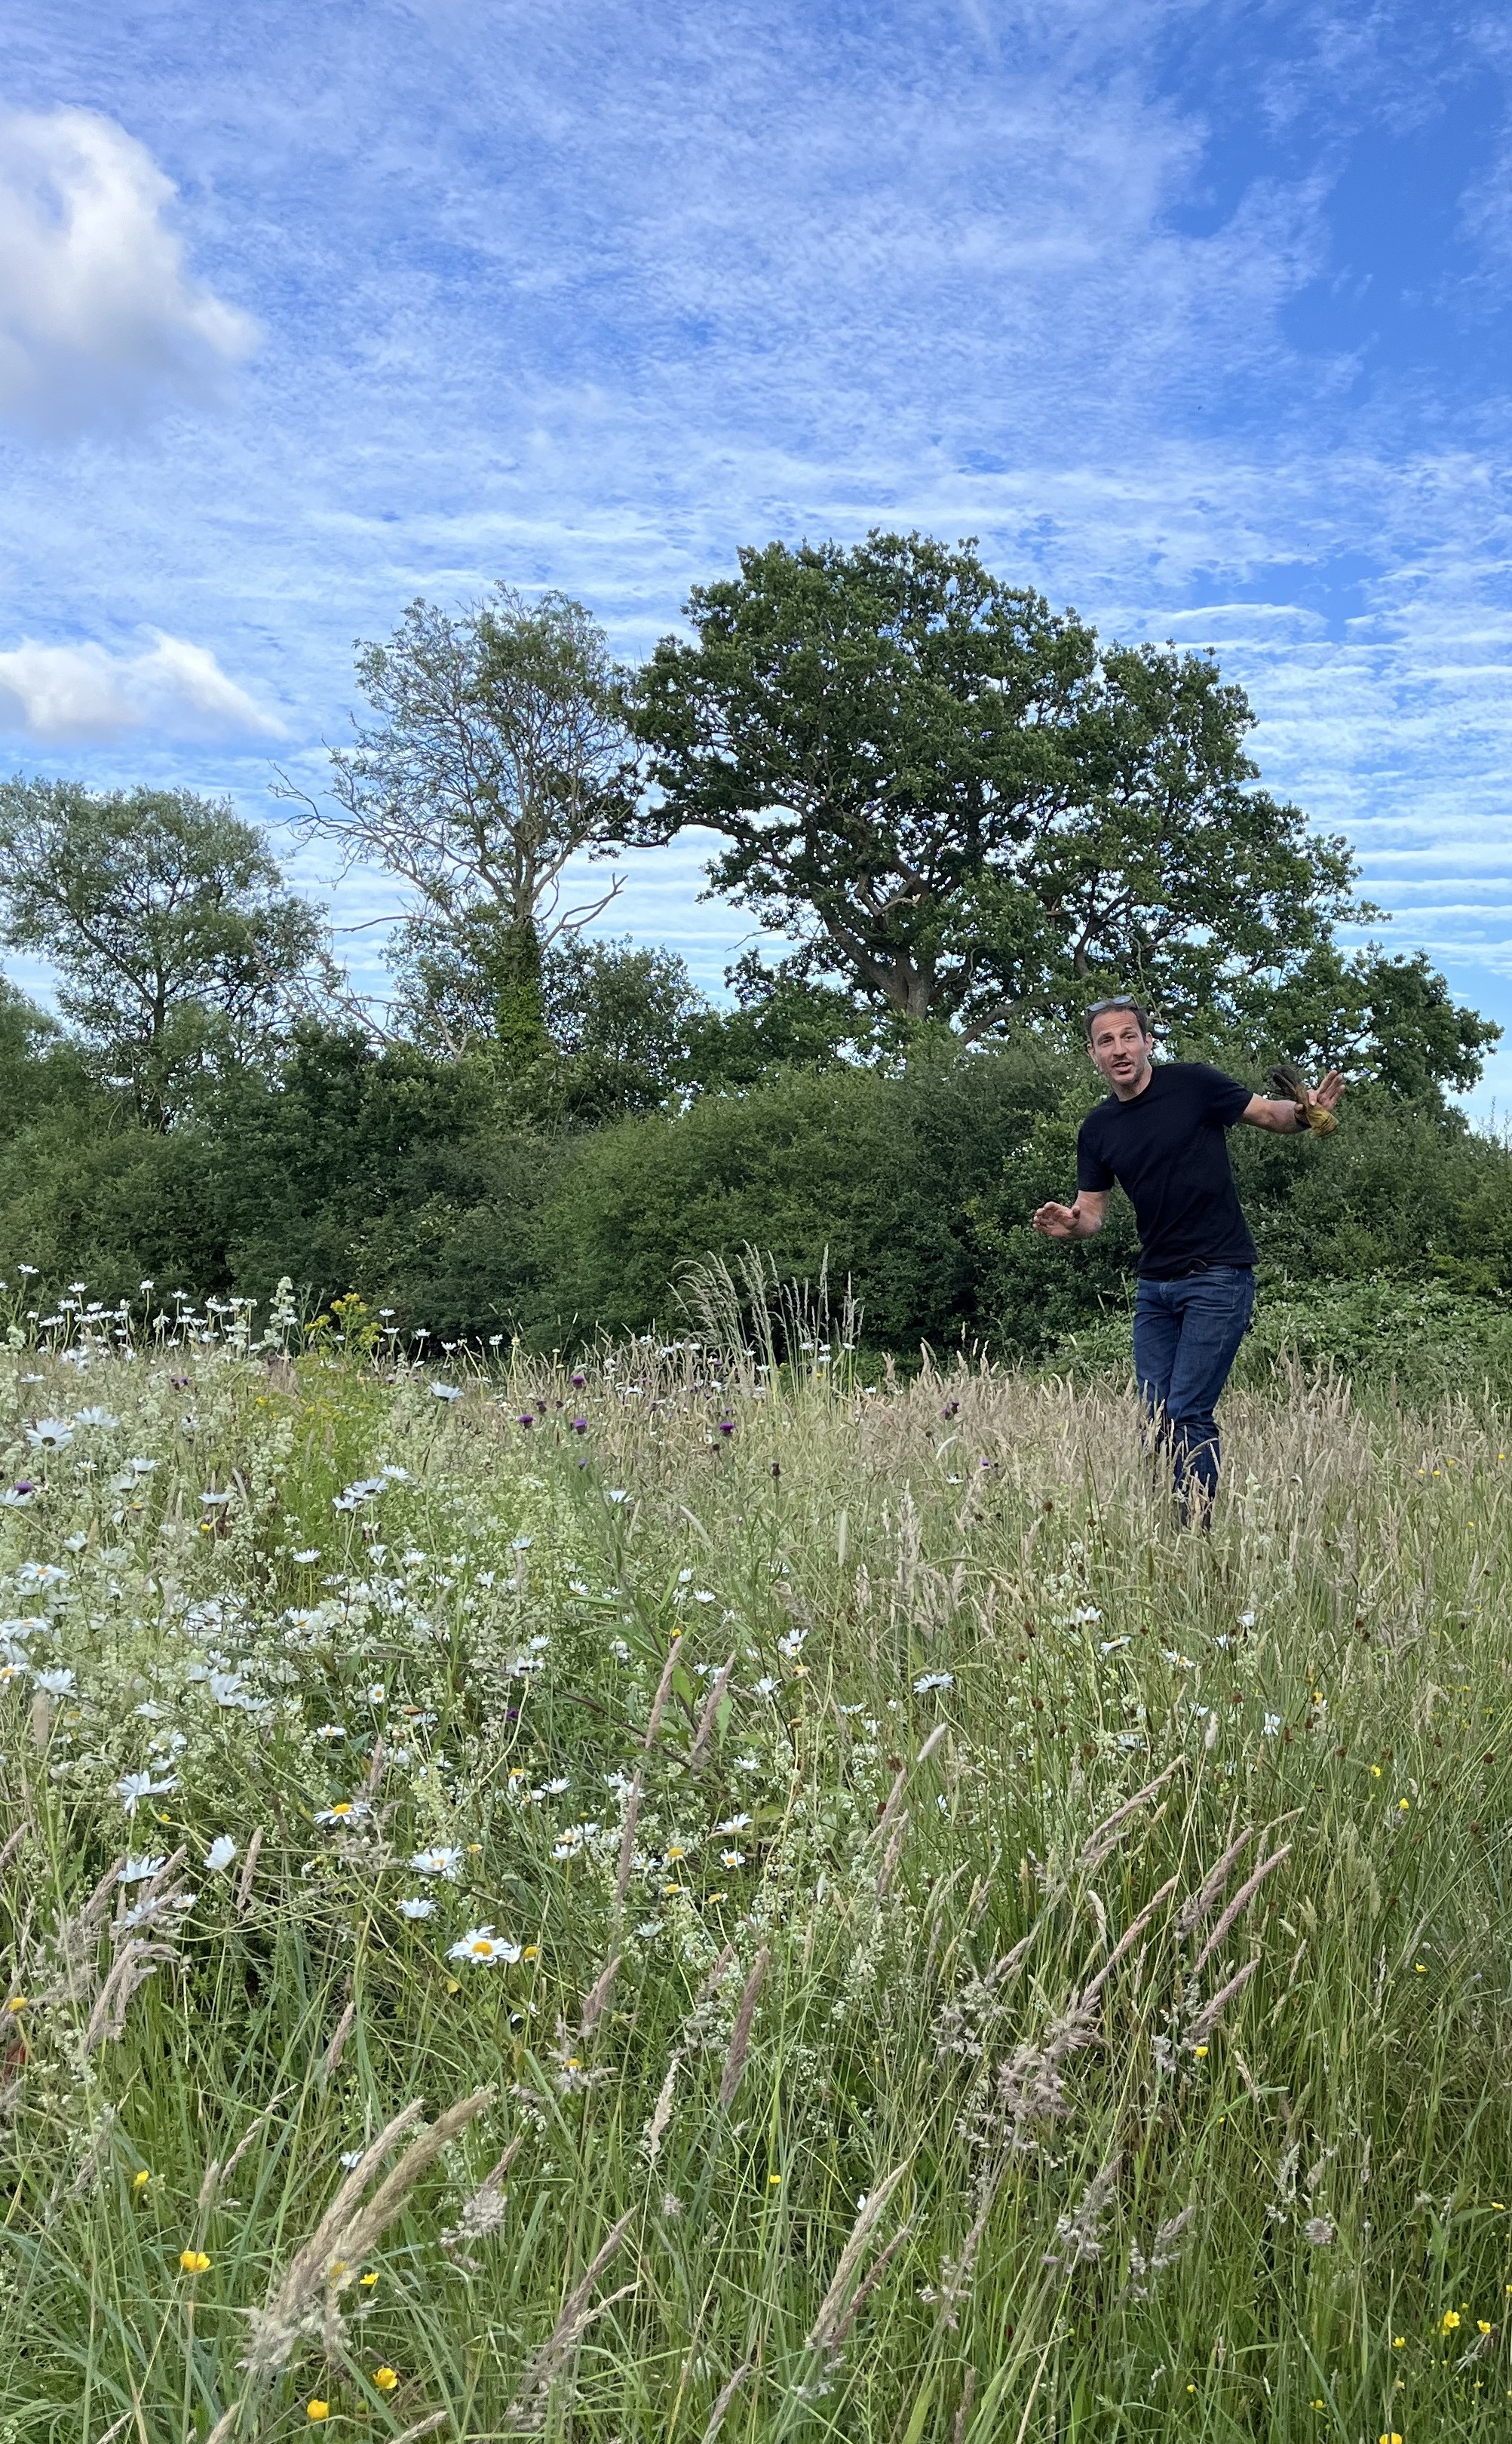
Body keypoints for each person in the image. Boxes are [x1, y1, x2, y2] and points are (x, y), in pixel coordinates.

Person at [1032, 997, 1344, 1512]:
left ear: (1147, 1041)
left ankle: (1192, 1529)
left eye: (1128, 1036)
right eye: (1106, 1041)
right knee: (1155, 1416)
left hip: (1218, 1276)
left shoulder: (1194, 1084)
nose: (1119, 1049)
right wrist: (1069, 1225)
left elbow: (1272, 1115)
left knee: (1185, 1411)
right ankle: (1166, 1521)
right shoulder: (1097, 1129)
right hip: (1155, 1287)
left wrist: (1308, 1112)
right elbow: (1090, 1214)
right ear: (1092, 1054)